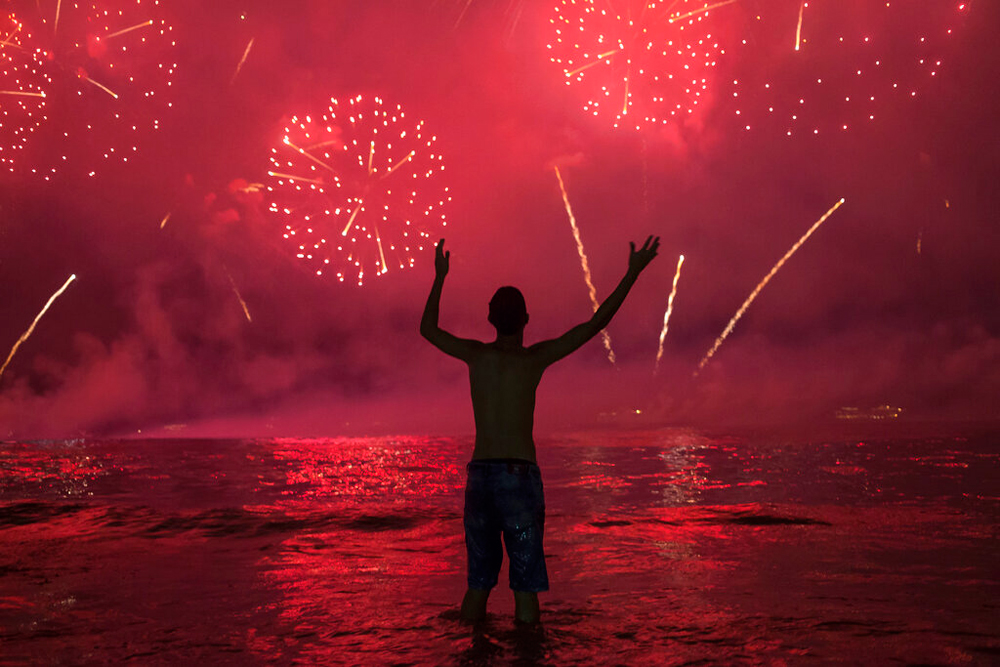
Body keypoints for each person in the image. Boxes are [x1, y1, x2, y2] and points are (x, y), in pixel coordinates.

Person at [420, 236, 660, 624]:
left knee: (478, 583)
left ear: (490, 319)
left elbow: (427, 329)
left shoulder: (476, 356)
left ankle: (467, 653)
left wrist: (440, 277)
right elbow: (596, 323)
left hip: (480, 475)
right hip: (518, 475)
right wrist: (632, 273)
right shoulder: (534, 360)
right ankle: (529, 655)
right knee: (525, 586)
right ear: (526, 319)